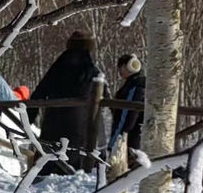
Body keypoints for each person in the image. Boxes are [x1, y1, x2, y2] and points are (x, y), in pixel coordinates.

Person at [28, 30, 106, 174]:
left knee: (49, 160)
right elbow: (103, 97)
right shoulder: (91, 69)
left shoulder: (59, 66)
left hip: (53, 121)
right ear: (89, 47)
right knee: (73, 163)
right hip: (78, 123)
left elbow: (40, 90)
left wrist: (28, 118)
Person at [109, 53, 145, 155]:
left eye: (121, 68)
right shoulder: (138, 84)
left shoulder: (134, 87)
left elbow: (126, 117)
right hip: (136, 139)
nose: (120, 71)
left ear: (127, 66)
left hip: (130, 140)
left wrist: (114, 143)